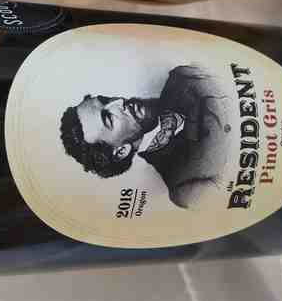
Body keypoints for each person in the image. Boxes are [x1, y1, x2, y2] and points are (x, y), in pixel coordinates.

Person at [60, 65, 232, 210]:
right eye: (109, 118)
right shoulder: (184, 189)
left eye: (105, 99)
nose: (119, 101)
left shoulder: (183, 77)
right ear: (121, 151)